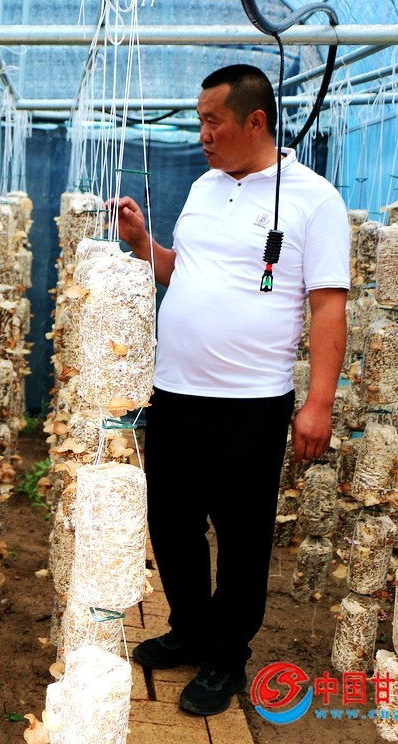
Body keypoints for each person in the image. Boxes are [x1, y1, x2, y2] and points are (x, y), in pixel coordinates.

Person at [114, 64, 349, 716]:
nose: (203, 134)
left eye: (212, 121)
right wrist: (143, 245)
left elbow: (329, 307)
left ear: (255, 120)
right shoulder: (203, 186)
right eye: (200, 121)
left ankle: (225, 655)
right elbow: (184, 272)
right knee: (172, 523)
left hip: (251, 402)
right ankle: (189, 629)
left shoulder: (314, 200)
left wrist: (319, 403)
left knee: (242, 536)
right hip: (174, 391)